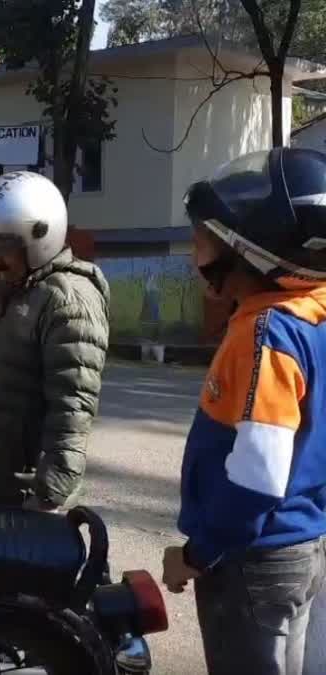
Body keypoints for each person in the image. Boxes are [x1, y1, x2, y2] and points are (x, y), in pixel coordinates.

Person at [161, 148, 326, 675]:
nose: (194, 258)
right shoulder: (311, 317)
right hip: (300, 546)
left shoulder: (268, 334)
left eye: (202, 241)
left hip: (253, 561)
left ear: (250, 252)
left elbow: (258, 476)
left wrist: (196, 554)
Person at [0, 171, 110, 510]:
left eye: (4, 249)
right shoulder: (7, 286)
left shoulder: (69, 301)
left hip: (30, 490)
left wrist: (51, 490)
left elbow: (72, 406)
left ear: (40, 238)